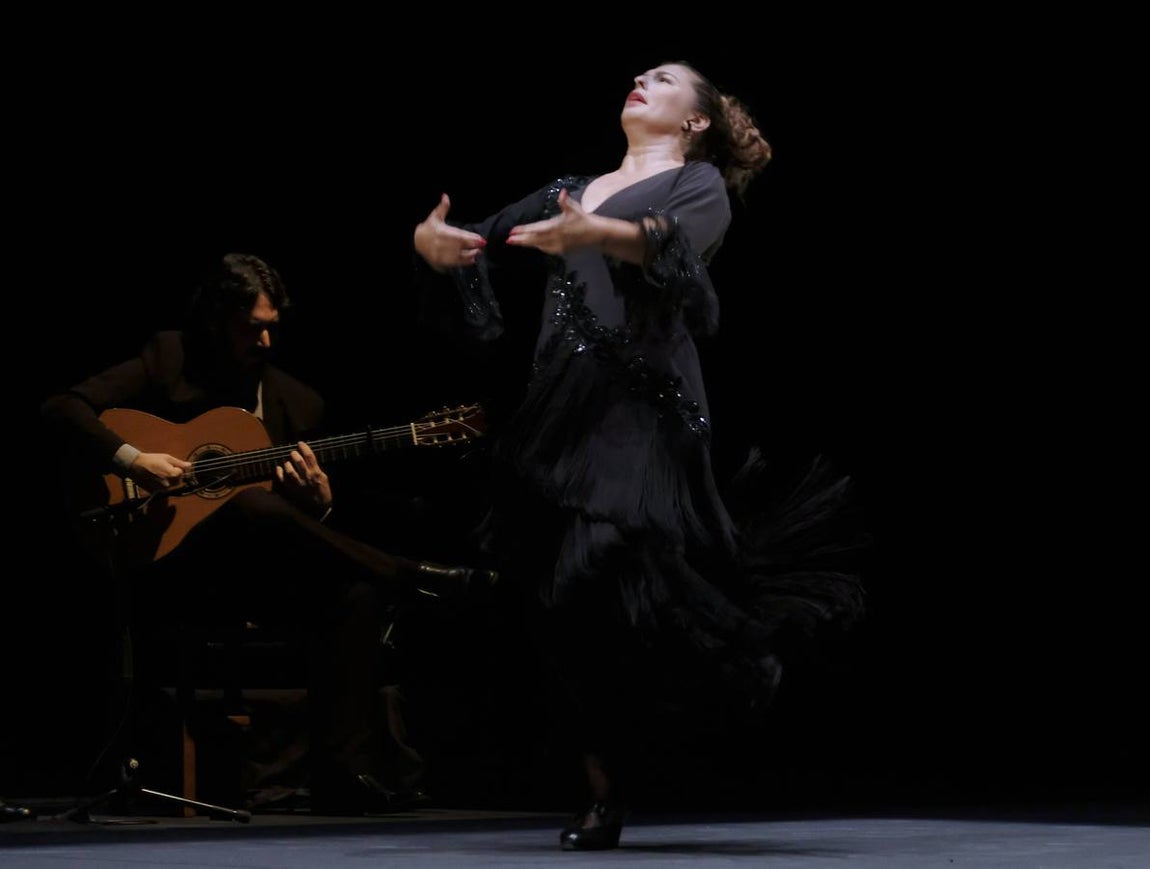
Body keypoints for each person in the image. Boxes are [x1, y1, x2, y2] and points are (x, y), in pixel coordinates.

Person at [411, 61, 866, 849]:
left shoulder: (697, 188)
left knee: (602, 559)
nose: (638, 80)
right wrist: (435, 244)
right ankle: (601, 788)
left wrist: (599, 234)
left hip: (643, 408)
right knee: (556, 600)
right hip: (561, 411)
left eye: (661, 79)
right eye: (639, 74)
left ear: (695, 121)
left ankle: (718, 663)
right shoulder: (571, 187)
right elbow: (477, 239)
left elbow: (670, 248)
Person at [40, 252, 495, 816]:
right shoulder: (170, 357)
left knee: (354, 594)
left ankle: (342, 775)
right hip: (172, 564)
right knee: (254, 505)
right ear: (216, 321)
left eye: (272, 328)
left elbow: (298, 524)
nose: (264, 341)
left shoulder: (297, 402)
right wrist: (133, 460)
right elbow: (63, 408)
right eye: (249, 328)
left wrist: (320, 505)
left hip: (256, 579)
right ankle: (407, 572)